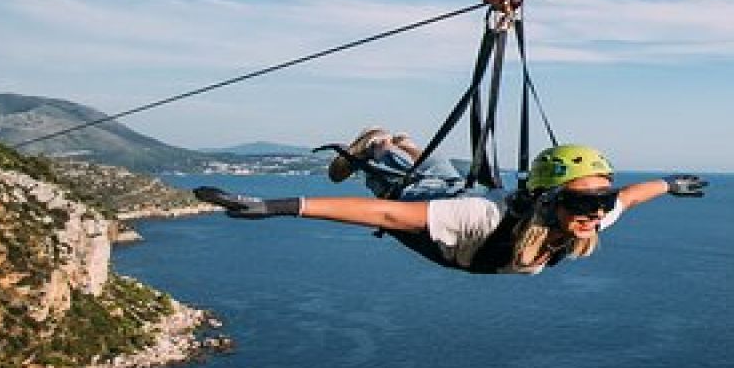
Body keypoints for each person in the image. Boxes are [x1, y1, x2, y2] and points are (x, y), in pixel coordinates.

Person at [193, 128, 707, 275]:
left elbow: (633, 197)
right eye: (584, 204)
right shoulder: (481, 217)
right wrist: (275, 207)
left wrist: (669, 184)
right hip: (457, 217)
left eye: (603, 201)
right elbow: (387, 215)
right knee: (399, 186)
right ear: (549, 202)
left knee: (444, 180)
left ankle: (405, 145)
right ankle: (377, 147)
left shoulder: (592, 217)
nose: (596, 214)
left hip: (469, 203)